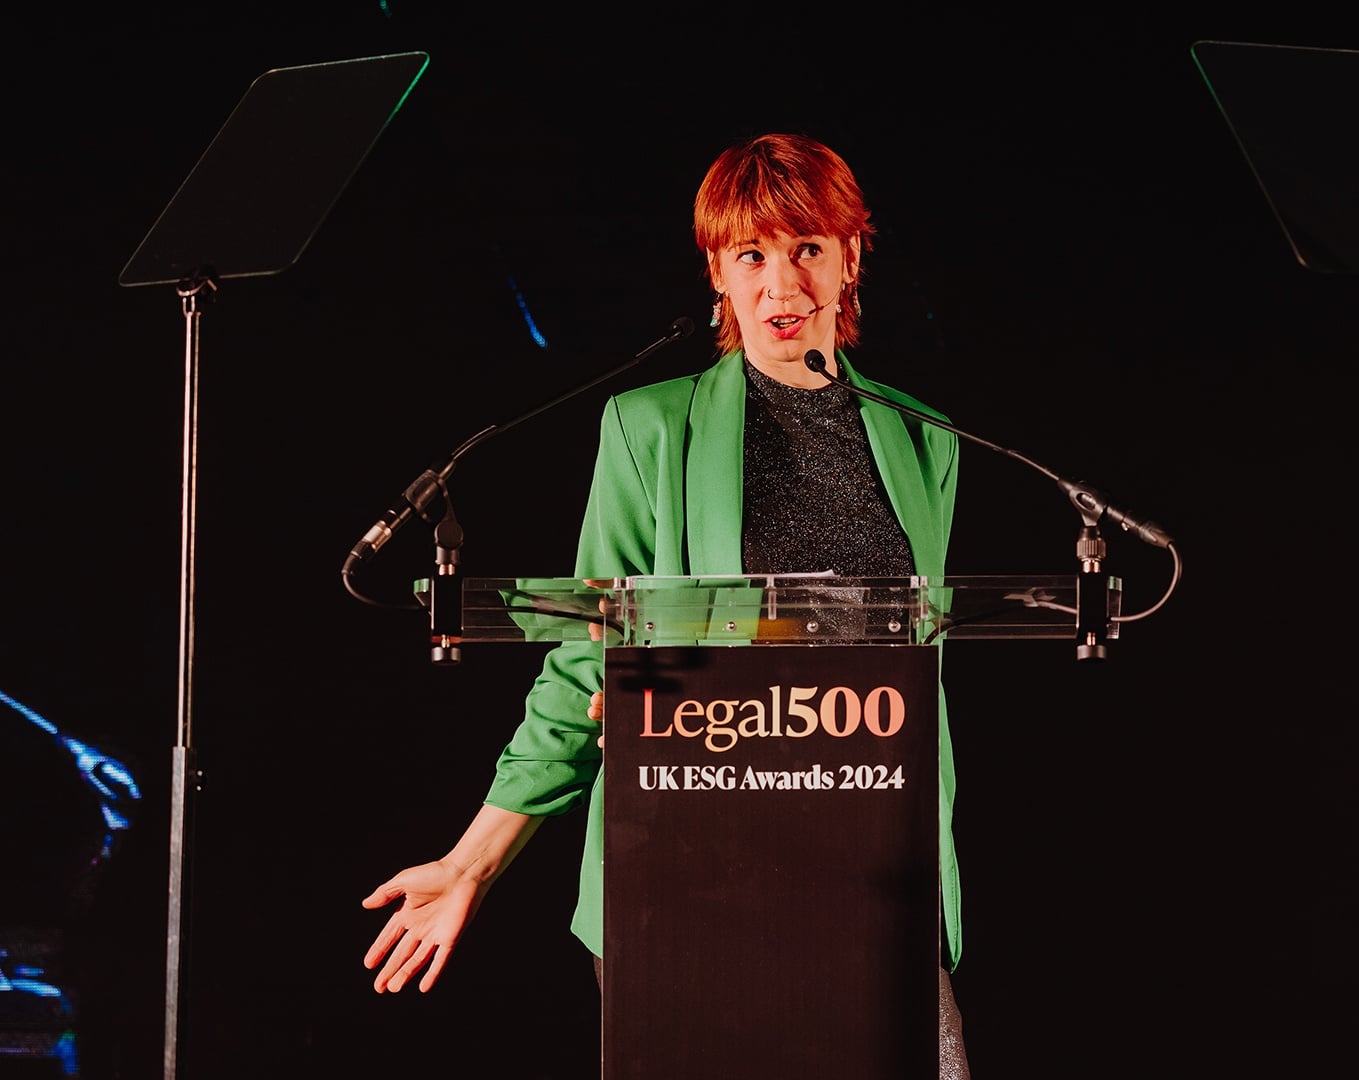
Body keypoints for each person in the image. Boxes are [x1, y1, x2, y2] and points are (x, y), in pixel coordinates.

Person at [362, 131, 970, 1077]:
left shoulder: (925, 438)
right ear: (716, 273)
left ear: (852, 257)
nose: (782, 285)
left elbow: (911, 662)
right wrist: (471, 860)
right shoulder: (650, 428)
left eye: (808, 248)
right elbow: (587, 654)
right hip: (690, 874)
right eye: (751, 255)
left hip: (873, 874)